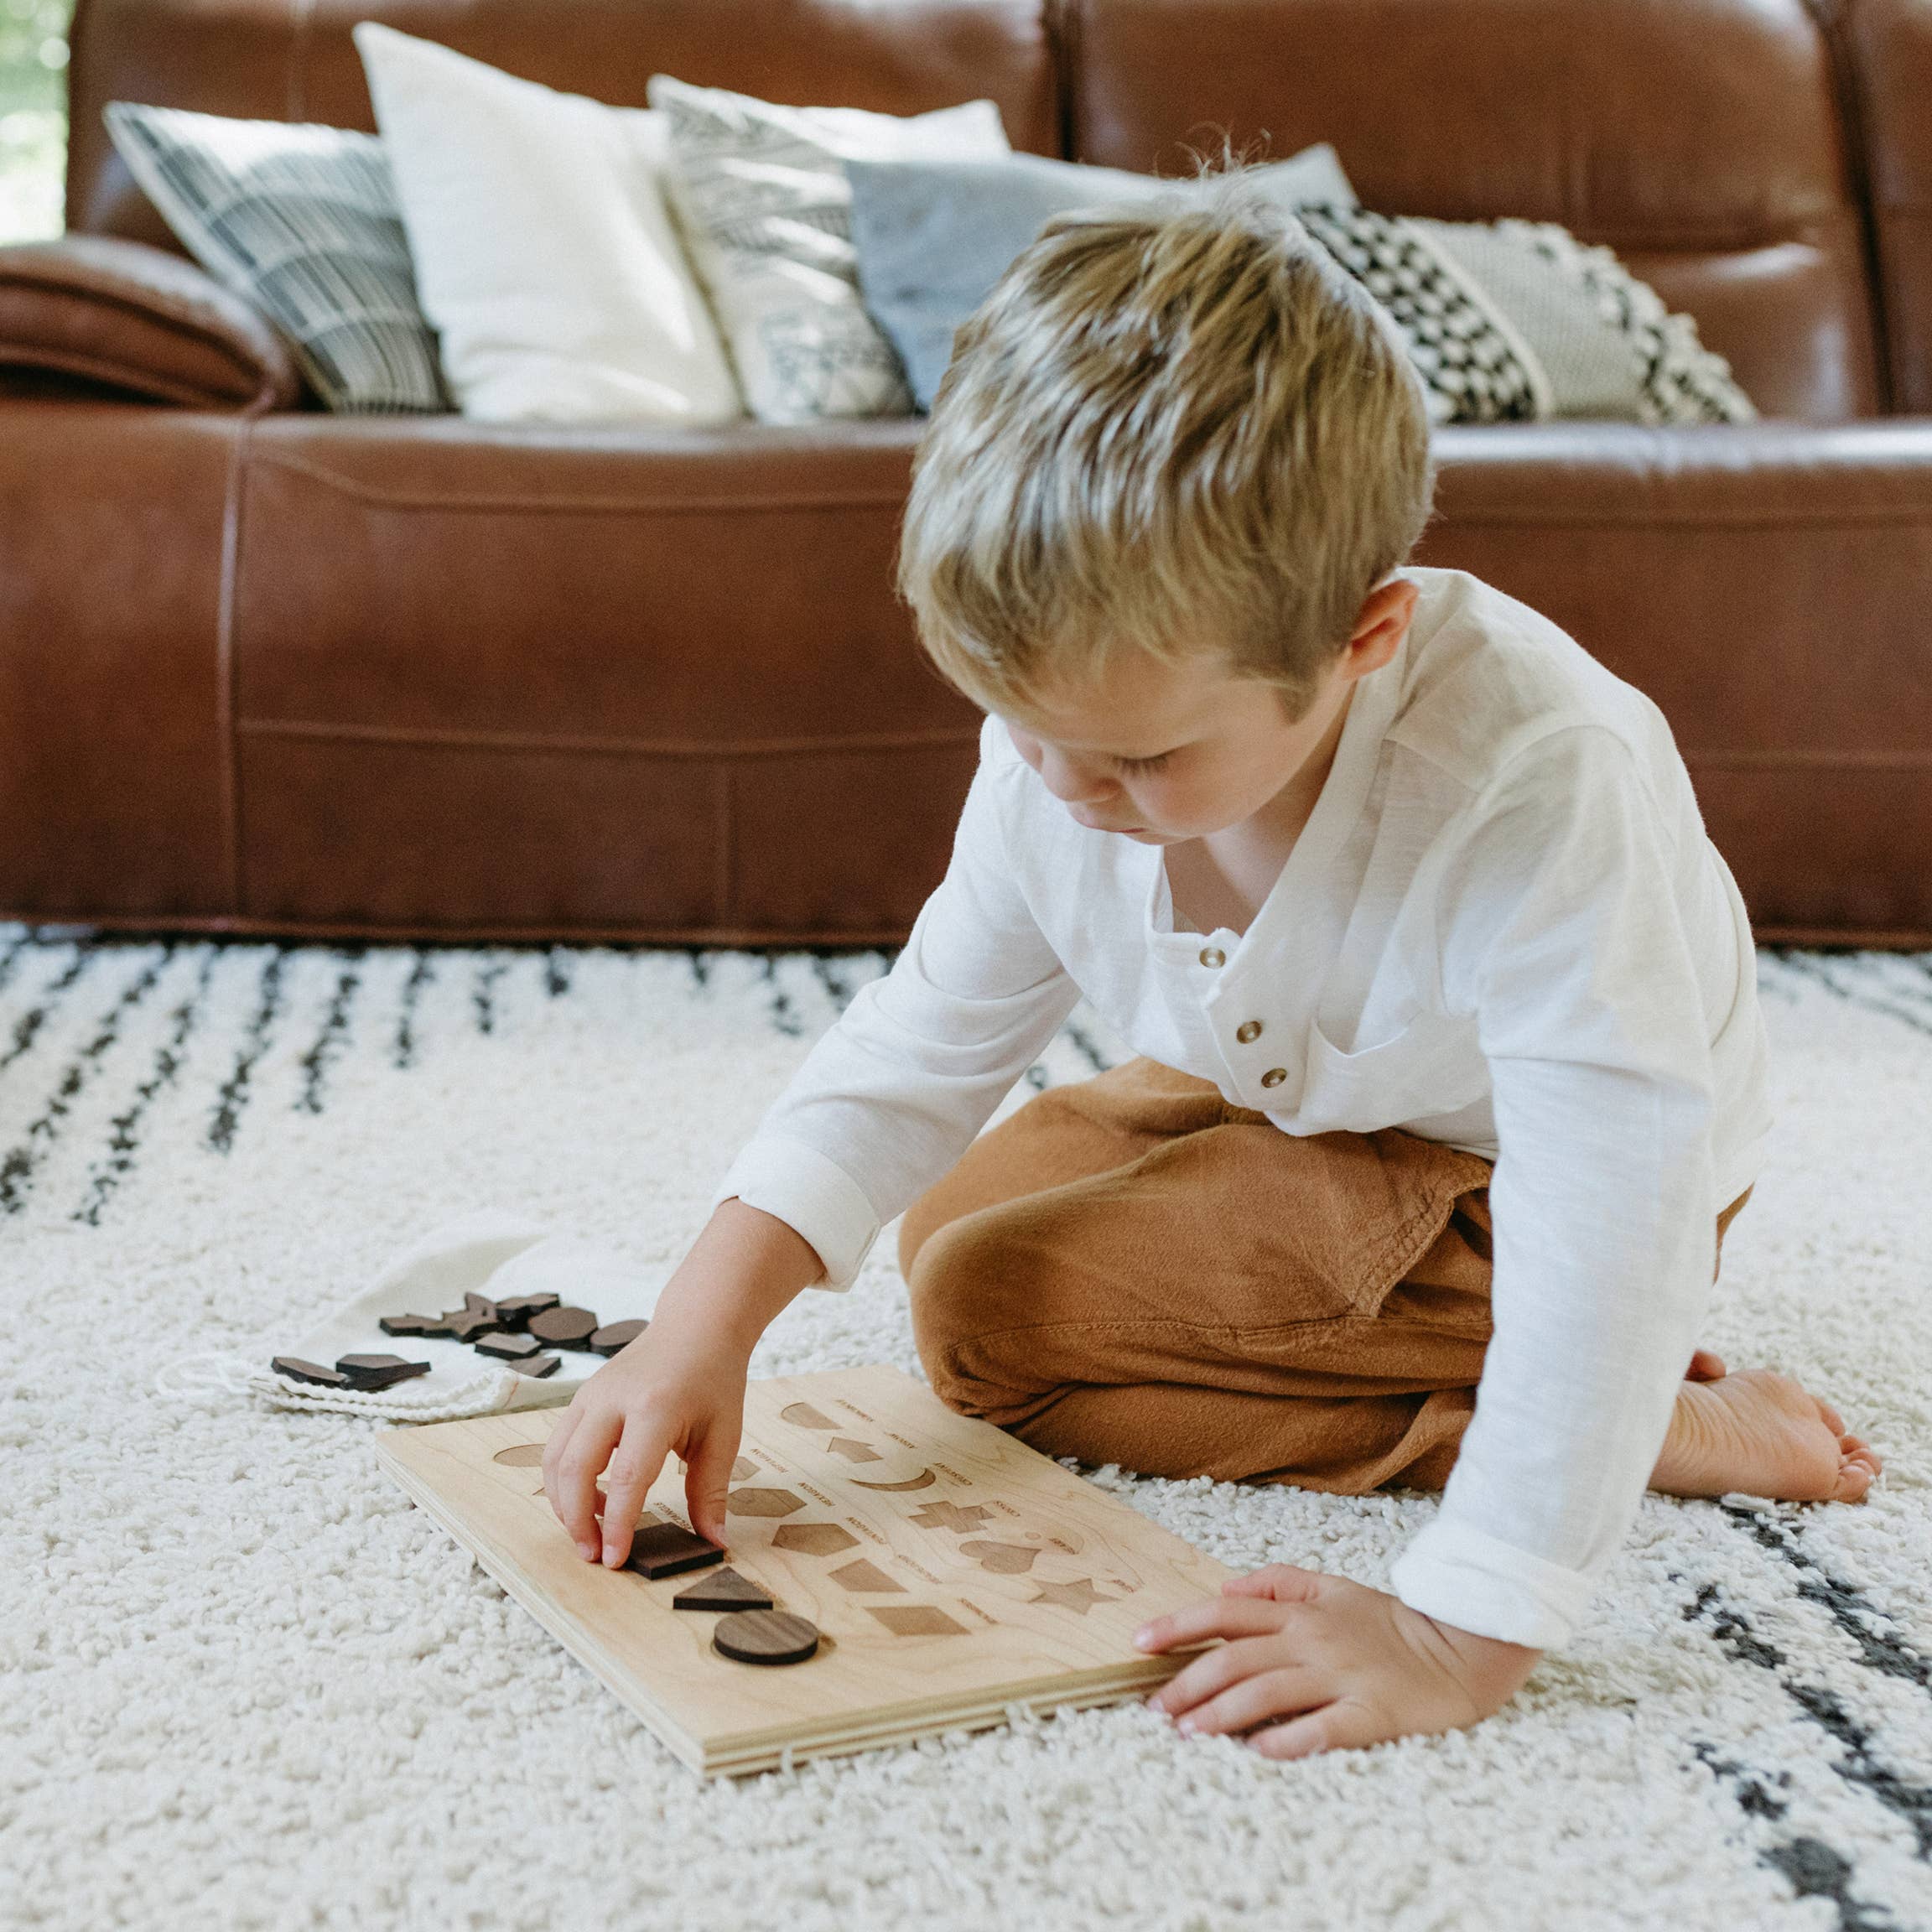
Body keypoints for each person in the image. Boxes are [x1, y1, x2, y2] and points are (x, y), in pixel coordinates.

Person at [543, 185, 1881, 1758]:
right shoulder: (1073, 739)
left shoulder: (1535, 775)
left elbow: (1615, 1203)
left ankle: (1643, 1420)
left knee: (988, 1320)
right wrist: (699, 1323)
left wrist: (1461, 1632)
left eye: (1137, 756)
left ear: (1364, 640)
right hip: (1316, 1093)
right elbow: (923, 1040)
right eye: (1015, 719)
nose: (1056, 784)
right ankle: (1548, 1386)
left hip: (1538, 1173)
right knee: (952, 1215)